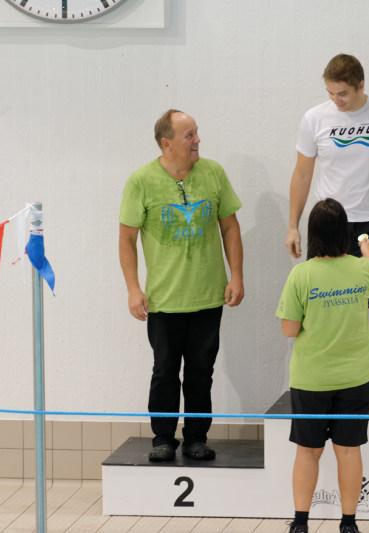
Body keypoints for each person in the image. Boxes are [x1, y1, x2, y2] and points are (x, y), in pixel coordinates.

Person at [285, 53, 369, 405]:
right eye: (330, 93)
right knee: (322, 302)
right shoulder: (314, 118)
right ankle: (328, 376)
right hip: (330, 221)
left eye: (342, 93)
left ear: (360, 86)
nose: (336, 100)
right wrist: (293, 225)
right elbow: (302, 174)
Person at [118, 109, 244, 462]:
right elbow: (126, 239)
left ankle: (196, 438)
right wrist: (133, 288)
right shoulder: (141, 181)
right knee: (165, 372)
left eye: (196, 133)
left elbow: (230, 227)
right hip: (164, 300)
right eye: (189, 135)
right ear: (166, 143)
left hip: (208, 296)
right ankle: (162, 437)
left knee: (201, 373)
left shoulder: (213, 173)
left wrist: (236, 275)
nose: (197, 140)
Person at [277, 198, 369, 533]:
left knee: (307, 452)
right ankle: (349, 523)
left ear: (312, 234)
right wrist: (367, 250)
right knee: (349, 452)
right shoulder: (363, 269)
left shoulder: (301, 275)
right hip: (356, 378)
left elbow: (289, 329)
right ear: (344, 232)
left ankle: (300, 523)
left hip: (311, 379)